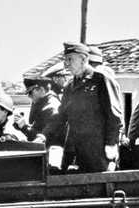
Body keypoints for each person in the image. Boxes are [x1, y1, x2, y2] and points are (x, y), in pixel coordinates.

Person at [35, 41, 124, 173]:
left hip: (98, 151)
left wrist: (111, 144)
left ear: (83, 59)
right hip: (75, 151)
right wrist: (43, 136)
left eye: (70, 59)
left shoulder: (101, 81)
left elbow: (115, 116)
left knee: (101, 189)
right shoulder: (69, 87)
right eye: (65, 60)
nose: (66, 63)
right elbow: (60, 117)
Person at [14, 78, 61, 144]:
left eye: (30, 92)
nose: (29, 96)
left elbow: (43, 138)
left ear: (41, 90)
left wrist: (24, 127)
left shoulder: (51, 108)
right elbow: (38, 132)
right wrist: (22, 127)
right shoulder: (44, 104)